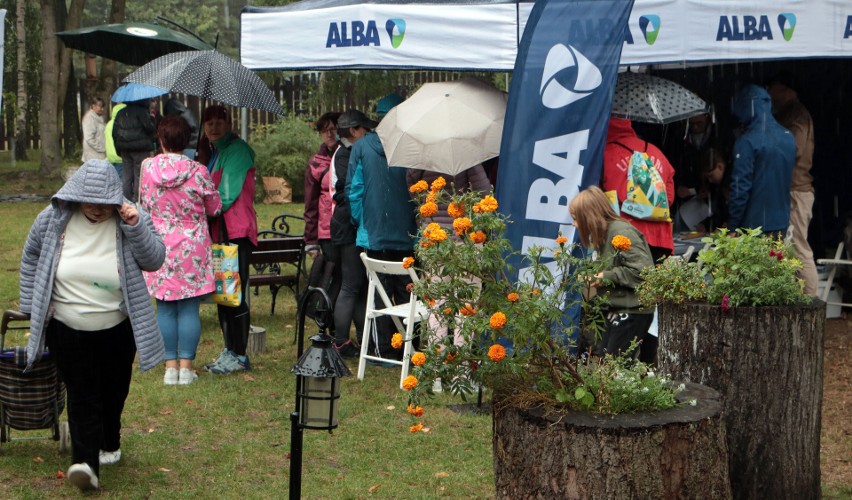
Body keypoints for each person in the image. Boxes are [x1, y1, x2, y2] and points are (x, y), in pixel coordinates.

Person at [19, 159, 165, 491]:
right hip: (67, 325)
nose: (98, 210)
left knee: (114, 391)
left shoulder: (130, 218)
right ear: (76, 195)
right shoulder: (53, 219)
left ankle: (110, 439)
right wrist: (32, 306)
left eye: (105, 204)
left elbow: (155, 259)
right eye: (90, 202)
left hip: (116, 326)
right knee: (82, 393)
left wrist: (136, 225)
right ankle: (85, 463)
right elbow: (30, 257)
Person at [139, 115, 222, 385]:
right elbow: (214, 207)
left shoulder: (147, 167)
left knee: (164, 308)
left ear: (161, 140)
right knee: (189, 309)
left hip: (158, 244)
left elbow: (144, 203)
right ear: (186, 141)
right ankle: (186, 369)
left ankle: (169, 368)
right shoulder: (198, 171)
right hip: (192, 246)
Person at [346, 102, 417, 360]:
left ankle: (383, 349)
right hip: (408, 234)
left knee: (378, 293)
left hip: (372, 235)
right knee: (408, 291)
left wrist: (362, 222)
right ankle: (410, 347)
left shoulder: (362, 146)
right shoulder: (413, 145)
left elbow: (353, 190)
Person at [197, 105, 258, 375]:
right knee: (225, 294)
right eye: (208, 122)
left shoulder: (238, 151)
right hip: (220, 232)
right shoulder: (216, 153)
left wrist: (197, 209)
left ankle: (240, 354)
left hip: (236, 231)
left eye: (219, 121)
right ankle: (229, 349)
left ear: (229, 122)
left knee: (235, 295)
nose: (213, 127)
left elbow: (225, 195)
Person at [407, 163, 492, 347]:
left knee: (437, 305)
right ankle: (461, 371)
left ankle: (437, 368)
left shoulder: (421, 156)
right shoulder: (467, 156)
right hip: (464, 242)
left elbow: (415, 194)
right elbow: (484, 194)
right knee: (466, 306)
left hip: (434, 241)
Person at [569, 186, 655, 358]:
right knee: (605, 363)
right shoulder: (603, 234)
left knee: (615, 368)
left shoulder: (622, 232)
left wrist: (604, 277)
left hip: (633, 310)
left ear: (588, 216)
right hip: (617, 307)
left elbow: (643, 272)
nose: (574, 224)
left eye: (576, 218)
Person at [767, 71, 819, 296]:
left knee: (799, 248)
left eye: (774, 88)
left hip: (797, 190)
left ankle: (810, 304)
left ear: (787, 89)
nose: (770, 93)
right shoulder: (787, 113)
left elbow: (793, 149)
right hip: (790, 189)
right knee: (788, 248)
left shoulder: (797, 114)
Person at [329, 109, 375, 357]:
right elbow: (351, 189)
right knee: (349, 284)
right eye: (366, 130)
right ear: (355, 131)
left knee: (356, 284)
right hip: (347, 223)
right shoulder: (345, 154)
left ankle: (360, 337)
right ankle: (340, 341)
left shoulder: (346, 151)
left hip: (345, 222)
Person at [602, 117, 676, 263]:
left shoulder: (605, 154)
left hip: (625, 236)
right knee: (655, 283)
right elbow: (669, 198)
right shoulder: (656, 152)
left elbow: (599, 198)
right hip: (660, 236)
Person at [728, 84, 796, 236]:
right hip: (781, 221)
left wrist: (732, 226)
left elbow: (740, 188)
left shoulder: (747, 141)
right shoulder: (788, 137)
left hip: (753, 225)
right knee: (776, 259)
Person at [304, 112, 342, 304]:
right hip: (326, 231)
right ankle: (326, 319)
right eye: (325, 130)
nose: (329, 134)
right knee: (330, 276)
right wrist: (311, 241)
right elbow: (310, 205)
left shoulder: (347, 156)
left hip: (346, 228)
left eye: (333, 129)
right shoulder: (316, 163)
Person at [113, 98, 156, 202]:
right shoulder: (142, 112)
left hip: (125, 149)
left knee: (126, 176)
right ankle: (138, 201)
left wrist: (118, 149)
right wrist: (151, 118)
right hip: (140, 148)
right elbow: (150, 129)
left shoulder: (120, 113)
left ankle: (125, 200)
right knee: (139, 175)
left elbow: (114, 133)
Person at [104, 102, 127, 179]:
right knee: (120, 180)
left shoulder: (109, 124)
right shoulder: (122, 124)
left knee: (112, 179)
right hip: (120, 157)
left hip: (110, 156)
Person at [81, 96, 106, 162]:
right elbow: (89, 138)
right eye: (100, 106)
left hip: (98, 154)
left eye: (103, 107)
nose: (102, 109)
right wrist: (101, 148)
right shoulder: (89, 118)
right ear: (93, 106)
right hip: (92, 155)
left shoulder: (98, 117)